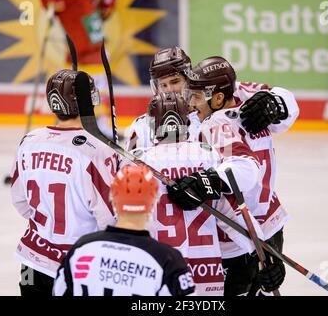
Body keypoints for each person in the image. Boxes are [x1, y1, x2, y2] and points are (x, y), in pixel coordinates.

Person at [174, 56, 299, 295]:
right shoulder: (227, 103)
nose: (191, 102)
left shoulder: (216, 122)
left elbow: (243, 170)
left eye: (197, 96)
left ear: (219, 97)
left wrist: (208, 182)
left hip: (242, 234)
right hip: (261, 227)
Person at [126, 92, 260, 295]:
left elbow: (122, 219)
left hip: (156, 269)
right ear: (187, 122)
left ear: (152, 125)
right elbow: (233, 213)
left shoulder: (136, 161)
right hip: (207, 271)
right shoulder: (208, 155)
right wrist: (262, 250)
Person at [10, 69, 118, 296]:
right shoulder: (97, 150)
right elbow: (109, 218)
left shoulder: (29, 141)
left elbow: (20, 201)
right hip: (78, 265)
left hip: (32, 261)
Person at [53, 165, 196, 296]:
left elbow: (59, 292)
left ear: (113, 199)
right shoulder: (167, 259)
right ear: (154, 202)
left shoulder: (82, 247)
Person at [125, 46, 194, 151]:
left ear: (188, 81)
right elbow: (129, 165)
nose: (170, 90)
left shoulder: (205, 121)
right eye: (163, 85)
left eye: (175, 82)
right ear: (156, 89)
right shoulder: (141, 126)